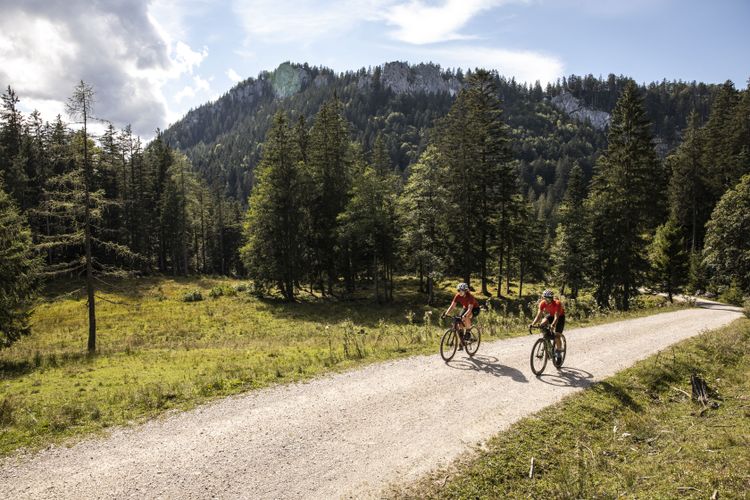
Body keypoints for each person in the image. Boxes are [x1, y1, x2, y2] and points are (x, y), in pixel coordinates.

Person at [530, 289, 566, 364]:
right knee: (542, 323)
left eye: (548, 298)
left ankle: (559, 353)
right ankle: (547, 340)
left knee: (557, 336)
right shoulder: (542, 303)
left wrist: (553, 325)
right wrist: (532, 324)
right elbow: (538, 315)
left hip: (560, 317)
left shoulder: (557, 303)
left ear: (551, 298)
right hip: (551, 315)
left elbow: (556, 317)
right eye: (545, 298)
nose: (546, 300)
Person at [441, 282, 480, 350]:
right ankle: (462, 342)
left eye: (460, 290)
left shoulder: (470, 297)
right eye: (458, 290)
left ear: (465, 290)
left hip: (475, 309)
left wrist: (464, 316)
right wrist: (446, 314)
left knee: (466, 316)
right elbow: (452, 306)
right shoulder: (457, 296)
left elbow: (470, 309)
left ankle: (468, 332)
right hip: (465, 308)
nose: (459, 292)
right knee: (459, 323)